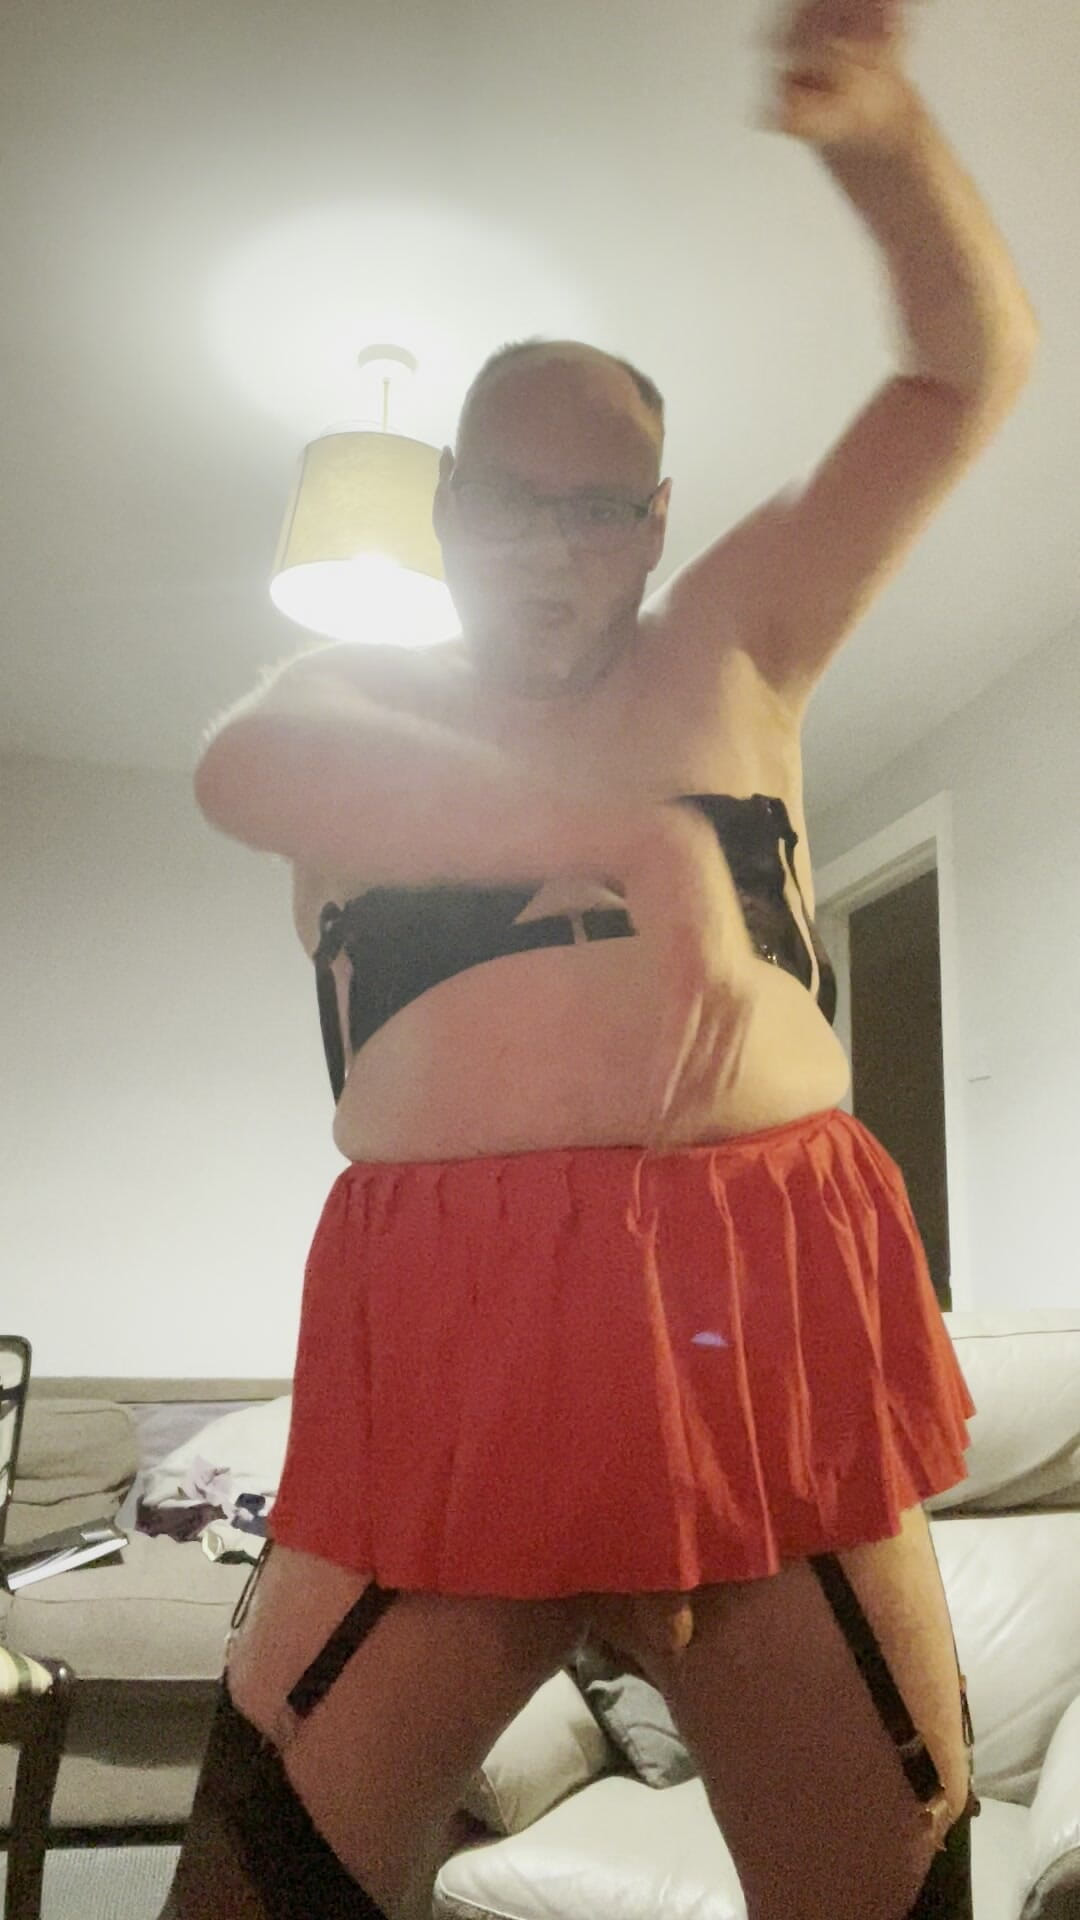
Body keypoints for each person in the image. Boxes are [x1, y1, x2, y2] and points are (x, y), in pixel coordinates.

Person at [162, 1, 1036, 1914]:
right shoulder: (346, 700)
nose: (546, 551)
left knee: (893, 1875)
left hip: (764, 1312)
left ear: (653, 524)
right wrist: (629, 839)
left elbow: (963, 371)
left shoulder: (734, 643)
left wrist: (885, 135)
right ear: (445, 505)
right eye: (504, 499)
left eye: (593, 510)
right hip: (450, 1346)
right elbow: (238, 771)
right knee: (259, 1882)